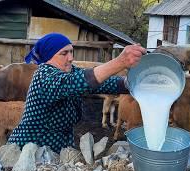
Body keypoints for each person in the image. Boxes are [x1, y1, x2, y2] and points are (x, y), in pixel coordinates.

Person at [8, 33, 146, 153]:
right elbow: (78, 81)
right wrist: (120, 62)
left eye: (71, 52)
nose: (70, 58)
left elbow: (103, 82)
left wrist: (134, 82)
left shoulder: (69, 71)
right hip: (28, 152)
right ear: (49, 56)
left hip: (60, 149)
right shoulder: (43, 76)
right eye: (64, 53)